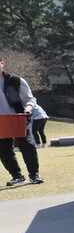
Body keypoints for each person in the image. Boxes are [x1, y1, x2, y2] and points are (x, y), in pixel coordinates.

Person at [0, 56, 43, 185]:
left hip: (19, 117)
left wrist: (27, 110)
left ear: (2, 63)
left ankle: (34, 175)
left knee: (27, 146)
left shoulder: (16, 80)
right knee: (3, 150)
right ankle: (17, 176)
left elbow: (30, 99)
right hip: (1, 121)